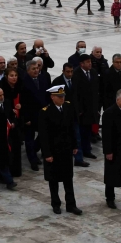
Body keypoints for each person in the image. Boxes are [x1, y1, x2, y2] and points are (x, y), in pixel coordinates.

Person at [39, 85, 81, 215]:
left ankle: (71, 204)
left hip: (66, 149)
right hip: (53, 151)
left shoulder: (68, 107)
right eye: (59, 96)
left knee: (68, 178)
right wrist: (47, 154)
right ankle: (55, 203)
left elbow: (72, 128)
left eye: (63, 96)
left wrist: (75, 145)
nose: (62, 98)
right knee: (54, 179)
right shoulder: (45, 112)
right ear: (52, 97)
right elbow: (44, 135)